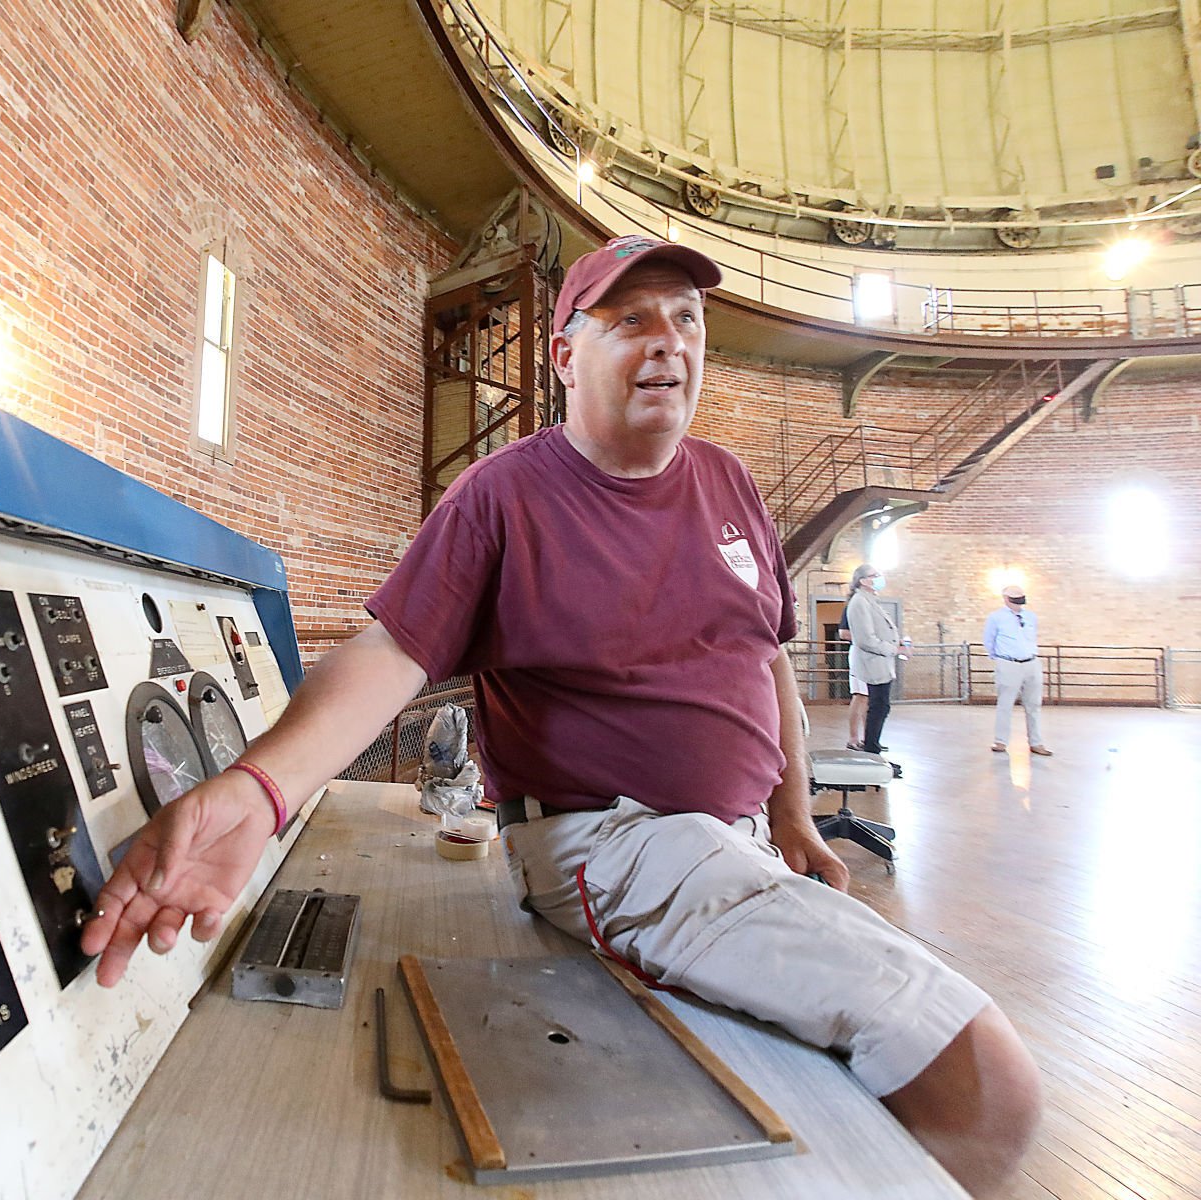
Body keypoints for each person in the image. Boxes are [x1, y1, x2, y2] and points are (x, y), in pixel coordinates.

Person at [81, 235, 1041, 1197]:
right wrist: (261, 788)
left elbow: (769, 662)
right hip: (617, 843)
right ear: (564, 356)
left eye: (687, 320)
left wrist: (790, 814)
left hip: (736, 836)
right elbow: (392, 652)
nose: (669, 341)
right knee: (986, 1082)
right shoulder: (504, 496)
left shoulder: (732, 484)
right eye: (631, 320)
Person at [984, 586, 1051, 756]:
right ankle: (1000, 741)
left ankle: (1036, 742)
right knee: (1005, 704)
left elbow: (1032, 636)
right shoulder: (996, 618)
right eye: (1014, 599)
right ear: (1006, 599)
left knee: (1034, 704)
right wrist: (1000, 658)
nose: (1018, 602)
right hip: (1008, 663)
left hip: (1031, 663)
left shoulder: (1030, 617)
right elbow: (989, 640)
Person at [845, 564, 901, 756]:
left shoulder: (870, 600)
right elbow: (866, 639)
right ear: (863, 581)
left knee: (880, 706)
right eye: (874, 575)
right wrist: (893, 649)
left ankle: (873, 745)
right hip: (872, 662)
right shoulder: (860, 602)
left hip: (879, 662)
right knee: (878, 706)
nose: (879, 578)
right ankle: (871, 748)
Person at [837, 600, 869, 748]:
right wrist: (866, 636)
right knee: (860, 696)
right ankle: (853, 738)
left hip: (872, 656)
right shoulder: (851, 608)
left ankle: (869, 737)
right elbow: (843, 633)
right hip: (860, 655)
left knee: (869, 699)